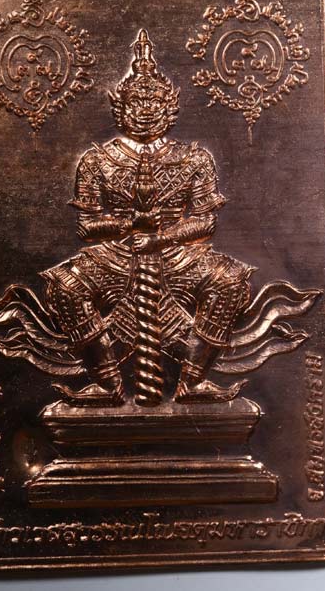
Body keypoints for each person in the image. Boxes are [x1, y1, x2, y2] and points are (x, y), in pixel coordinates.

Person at [41, 29, 254, 405]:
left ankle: (192, 380)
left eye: (153, 102)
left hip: (177, 253)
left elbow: (205, 222)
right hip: (117, 254)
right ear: (120, 108)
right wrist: (127, 226)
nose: (145, 110)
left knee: (230, 281)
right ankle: (107, 382)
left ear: (169, 107)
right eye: (136, 102)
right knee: (66, 286)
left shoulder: (194, 158)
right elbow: (87, 225)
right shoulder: (97, 160)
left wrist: (161, 237)